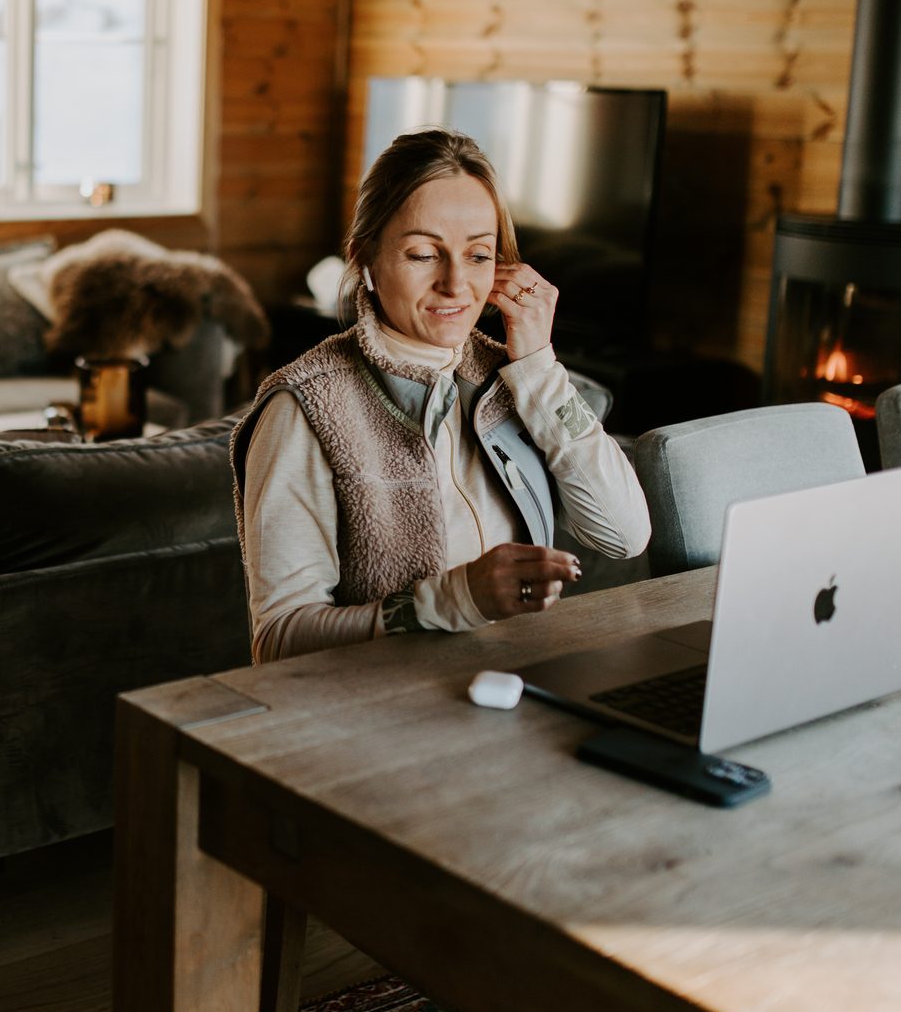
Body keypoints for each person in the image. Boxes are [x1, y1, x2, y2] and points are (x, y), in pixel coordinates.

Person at [231, 129, 651, 664]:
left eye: (478, 255)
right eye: (424, 254)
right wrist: (453, 599)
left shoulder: (513, 380)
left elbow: (624, 535)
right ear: (365, 261)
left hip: (516, 685)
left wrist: (539, 367)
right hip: (388, 721)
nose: (456, 284)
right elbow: (279, 640)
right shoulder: (308, 408)